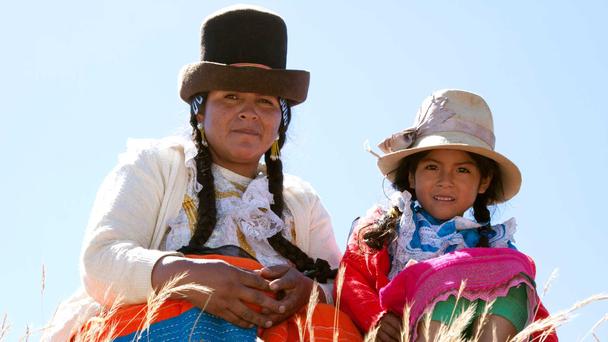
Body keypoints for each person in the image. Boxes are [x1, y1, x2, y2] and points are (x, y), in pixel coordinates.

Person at [43, 5, 360, 341]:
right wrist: (189, 276)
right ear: (199, 111)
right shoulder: (156, 167)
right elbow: (101, 261)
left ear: (281, 120)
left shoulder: (303, 203)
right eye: (231, 96)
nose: (249, 112)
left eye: (265, 101)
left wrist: (310, 290)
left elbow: (339, 286)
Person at [337, 89, 558, 341]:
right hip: (405, 332)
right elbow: (350, 279)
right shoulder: (383, 227)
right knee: (444, 285)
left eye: (462, 170)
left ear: (483, 181)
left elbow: (537, 317)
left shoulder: (494, 246)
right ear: (411, 175)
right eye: (432, 167)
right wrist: (374, 317)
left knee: (516, 277)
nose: (445, 181)